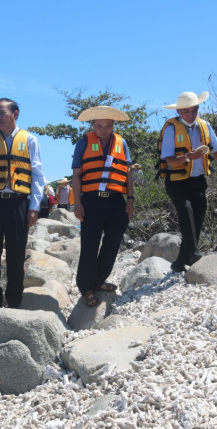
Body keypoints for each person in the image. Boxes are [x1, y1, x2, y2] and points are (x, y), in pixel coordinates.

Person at [0, 98, 45, 309]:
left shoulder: (30, 140)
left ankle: (14, 301)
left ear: (16, 114)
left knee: (16, 254)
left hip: (18, 203)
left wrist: (34, 206)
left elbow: (38, 175)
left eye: (1, 113)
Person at [158, 91, 217, 273]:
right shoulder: (171, 128)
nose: (190, 114)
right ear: (179, 111)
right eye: (186, 111)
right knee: (186, 212)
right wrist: (188, 157)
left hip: (198, 180)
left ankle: (179, 262)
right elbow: (168, 160)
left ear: (197, 109)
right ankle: (194, 254)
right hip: (176, 181)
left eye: (193, 110)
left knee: (197, 219)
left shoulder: (205, 126)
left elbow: (216, 150)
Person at [72, 106, 135, 308]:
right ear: (93, 125)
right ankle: (86, 287)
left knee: (113, 242)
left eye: (108, 125)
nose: (104, 129)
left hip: (116, 200)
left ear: (113, 125)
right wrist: (77, 202)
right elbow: (76, 175)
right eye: (99, 125)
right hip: (91, 200)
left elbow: (127, 173)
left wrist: (131, 199)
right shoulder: (83, 143)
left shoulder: (121, 143)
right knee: (90, 243)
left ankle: (99, 280)